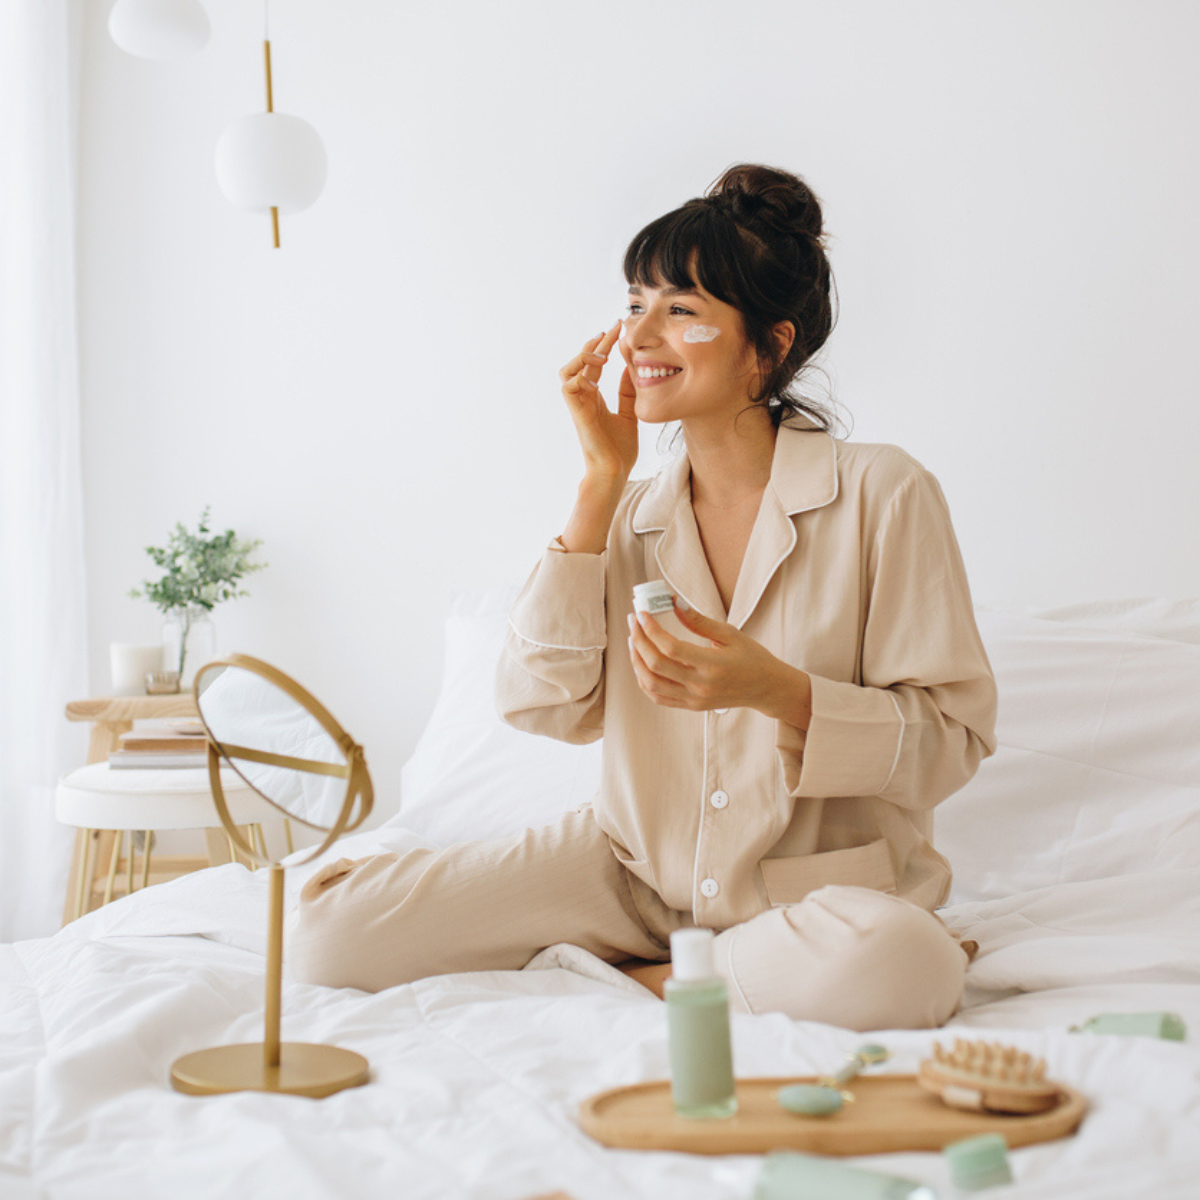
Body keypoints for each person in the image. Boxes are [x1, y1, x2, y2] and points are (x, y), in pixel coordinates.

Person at [288, 164, 998, 1030]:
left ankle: (660, 979)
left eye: (682, 310)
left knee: (902, 963)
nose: (640, 336)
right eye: (635, 305)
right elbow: (542, 706)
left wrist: (775, 690)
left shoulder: (883, 492)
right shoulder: (629, 515)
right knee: (328, 930)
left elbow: (950, 744)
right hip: (633, 874)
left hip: (809, 897)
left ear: (768, 349)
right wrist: (599, 482)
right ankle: (696, 971)